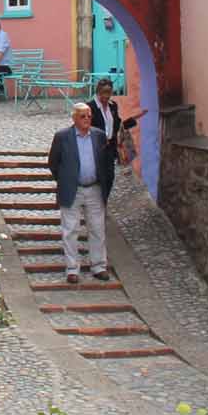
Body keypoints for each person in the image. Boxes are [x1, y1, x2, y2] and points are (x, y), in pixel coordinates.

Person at [47, 101, 117, 285]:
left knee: (97, 229)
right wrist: (65, 180)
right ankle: (72, 269)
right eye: (82, 116)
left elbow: (107, 163)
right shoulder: (62, 137)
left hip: (94, 188)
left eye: (89, 116)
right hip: (73, 189)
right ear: (74, 118)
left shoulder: (99, 136)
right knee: (70, 230)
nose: (87, 119)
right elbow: (53, 163)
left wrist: (105, 184)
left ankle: (99, 266)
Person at [88, 78, 137, 171]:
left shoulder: (113, 105)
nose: (106, 95)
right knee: (99, 174)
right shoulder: (90, 106)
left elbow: (118, 125)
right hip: (96, 146)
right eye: (104, 92)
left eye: (109, 92)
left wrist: (133, 120)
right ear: (98, 92)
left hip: (110, 146)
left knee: (110, 175)